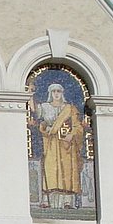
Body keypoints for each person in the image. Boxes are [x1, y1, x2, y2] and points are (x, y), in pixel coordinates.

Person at [34, 81, 85, 209]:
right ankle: (46, 199)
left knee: (67, 170)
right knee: (50, 168)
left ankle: (68, 201)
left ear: (62, 93)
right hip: (50, 142)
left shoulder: (69, 108)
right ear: (50, 93)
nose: (56, 94)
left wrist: (72, 134)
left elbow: (77, 126)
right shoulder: (44, 107)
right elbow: (37, 118)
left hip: (66, 145)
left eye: (59, 91)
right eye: (54, 91)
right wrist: (44, 128)